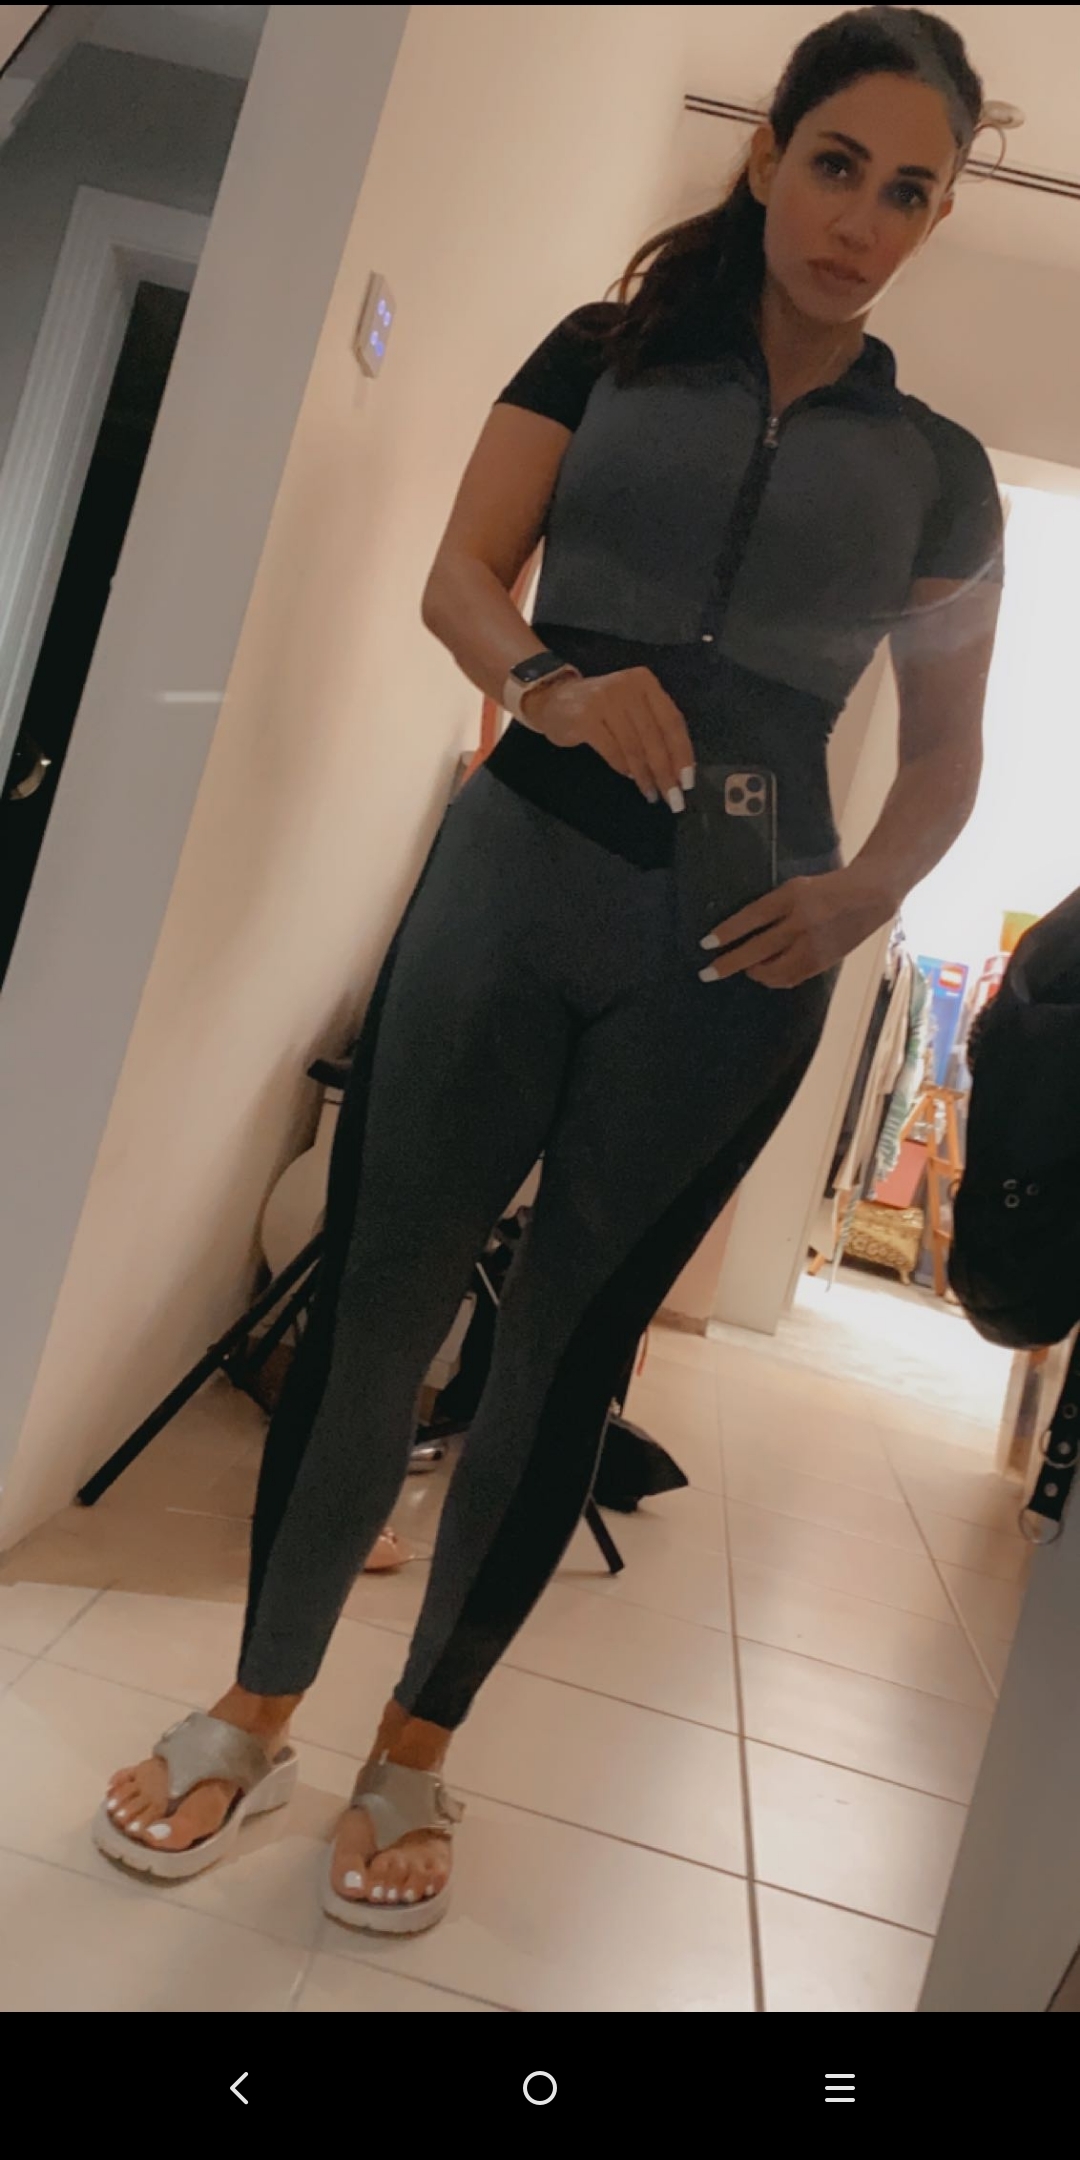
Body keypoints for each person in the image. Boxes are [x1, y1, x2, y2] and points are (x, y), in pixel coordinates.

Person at [96, 5, 1004, 1932]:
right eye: (836, 165)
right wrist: (550, 688)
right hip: (515, 875)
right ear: (766, 155)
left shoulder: (940, 474)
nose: (860, 219)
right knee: (381, 1300)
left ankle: (415, 1749)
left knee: (568, 1346)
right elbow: (460, 573)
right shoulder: (603, 354)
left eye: (909, 192)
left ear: (939, 217)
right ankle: (256, 1709)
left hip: (744, 950)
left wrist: (861, 901)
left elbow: (944, 759)